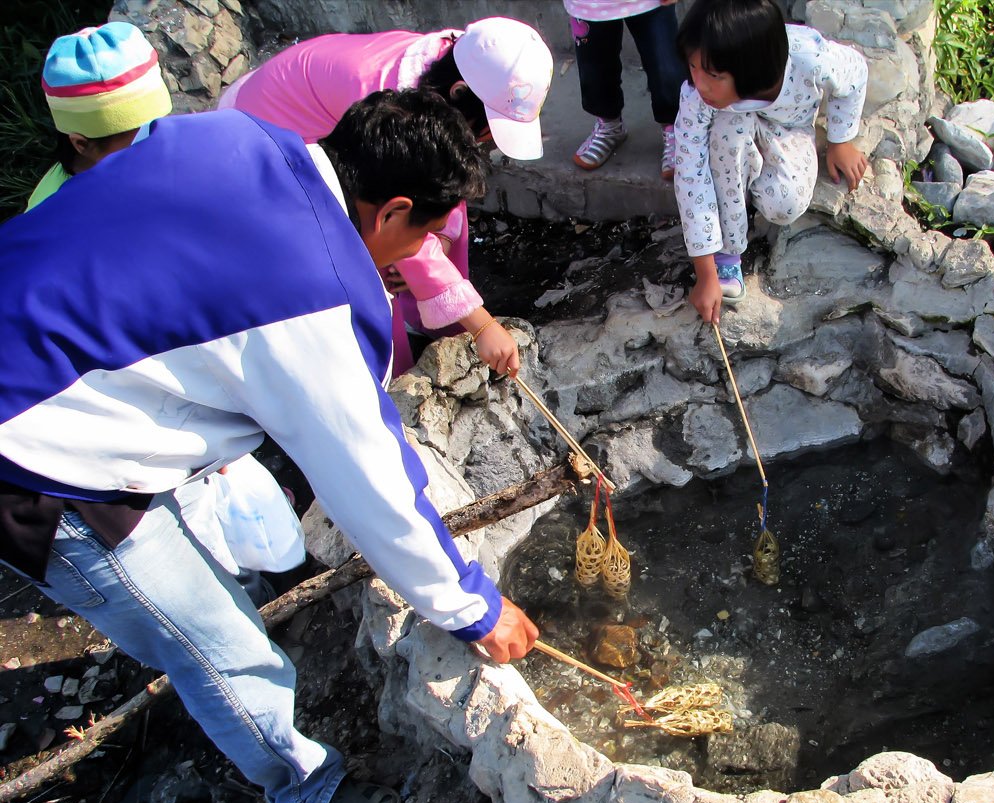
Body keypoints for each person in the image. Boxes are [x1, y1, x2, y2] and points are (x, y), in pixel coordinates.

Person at [0, 88, 540, 803]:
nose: (409, 255)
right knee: (217, 645)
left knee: (209, 570)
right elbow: (372, 485)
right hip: (38, 459)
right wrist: (472, 608)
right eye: (418, 235)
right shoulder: (313, 295)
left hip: (41, 338)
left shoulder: (234, 135)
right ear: (390, 210)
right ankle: (304, 787)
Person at [29, 21, 300, 607]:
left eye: (160, 130)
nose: (154, 150)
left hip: (197, 397)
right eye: (133, 139)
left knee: (234, 509)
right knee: (195, 535)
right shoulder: (53, 218)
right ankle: (239, 602)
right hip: (134, 422)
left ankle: (257, 587)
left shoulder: (167, 165)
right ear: (80, 143)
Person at [220, 18, 554, 378]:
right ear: (458, 93)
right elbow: (398, 225)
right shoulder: (385, 110)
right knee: (371, 270)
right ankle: (392, 370)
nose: (486, 142)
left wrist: (437, 241)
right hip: (264, 134)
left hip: (294, 121)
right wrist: (482, 324)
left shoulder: (446, 65)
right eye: (487, 130)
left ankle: (429, 319)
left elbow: (419, 208)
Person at [674, 0, 869, 323]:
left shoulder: (808, 59)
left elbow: (856, 71)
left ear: (751, 69)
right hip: (730, 129)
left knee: (785, 203)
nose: (700, 83)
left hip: (789, 127)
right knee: (727, 131)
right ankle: (728, 255)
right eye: (693, 68)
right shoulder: (698, 96)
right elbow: (690, 173)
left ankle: (753, 180)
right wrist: (705, 272)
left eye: (713, 74)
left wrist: (840, 140)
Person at [26, 20, 172, 211]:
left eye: (160, 124)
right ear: (82, 145)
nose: (161, 140)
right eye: (141, 137)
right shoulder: (50, 215)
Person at [564, 0, 688, 179]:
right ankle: (609, 125)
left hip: (649, 3)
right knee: (595, 67)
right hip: (589, 5)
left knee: (665, 63)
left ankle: (674, 128)